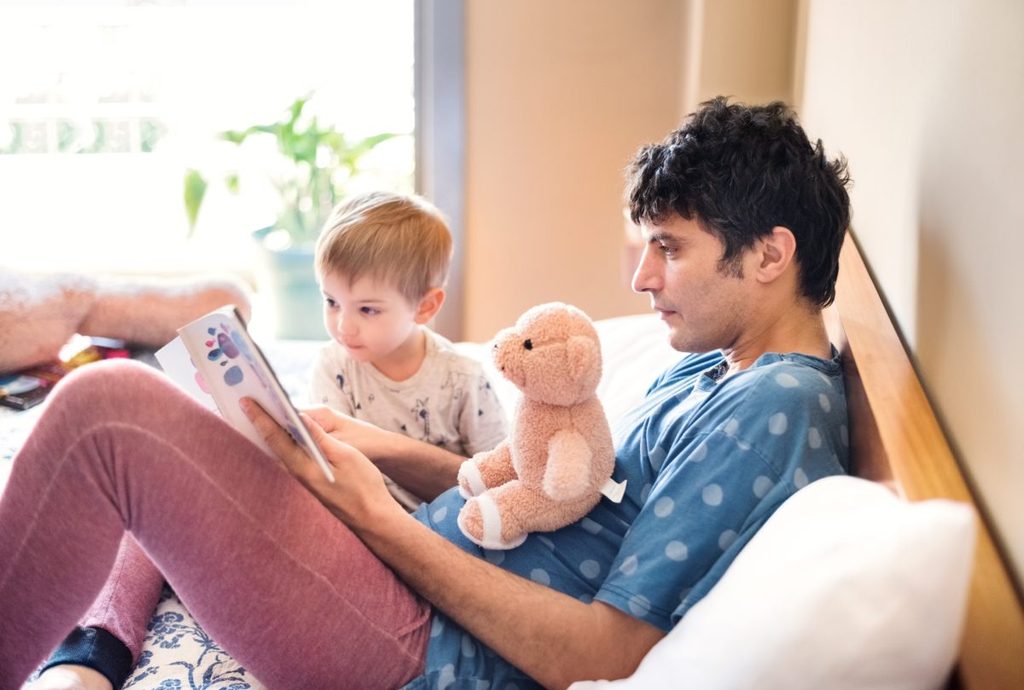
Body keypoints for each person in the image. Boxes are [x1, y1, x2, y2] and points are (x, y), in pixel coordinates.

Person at [0, 96, 852, 690]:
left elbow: (605, 655)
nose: (641, 276)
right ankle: (95, 643)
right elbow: (559, 497)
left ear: (770, 254)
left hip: (419, 648)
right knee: (203, 421)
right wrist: (380, 452)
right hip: (403, 578)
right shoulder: (718, 363)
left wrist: (376, 516)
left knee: (104, 411)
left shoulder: (776, 405)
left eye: (669, 247)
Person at [309, 191, 507, 510]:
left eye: (367, 310)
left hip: (449, 522)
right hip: (363, 516)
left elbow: (503, 476)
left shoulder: (462, 377)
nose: (343, 326)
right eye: (331, 302)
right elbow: (331, 466)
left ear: (425, 307)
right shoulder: (333, 365)